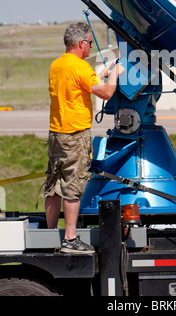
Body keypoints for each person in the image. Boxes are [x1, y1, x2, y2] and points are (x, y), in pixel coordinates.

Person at [44, 22, 124, 254]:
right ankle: (70, 238)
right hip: (75, 135)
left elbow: (79, 85)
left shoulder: (57, 65)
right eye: (89, 43)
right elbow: (107, 93)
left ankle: (51, 234)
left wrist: (102, 74)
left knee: (53, 185)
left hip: (56, 134)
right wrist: (115, 76)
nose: (90, 47)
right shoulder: (80, 68)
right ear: (81, 43)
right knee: (73, 187)